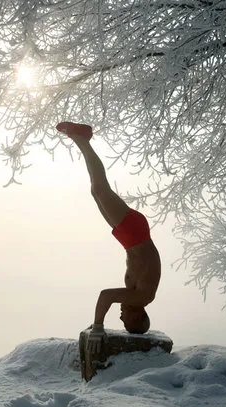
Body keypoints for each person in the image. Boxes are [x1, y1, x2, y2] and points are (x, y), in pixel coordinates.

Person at [56, 122, 161, 354]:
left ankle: (81, 141)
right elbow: (106, 296)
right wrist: (98, 327)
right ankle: (83, 139)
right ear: (137, 314)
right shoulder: (141, 296)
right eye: (126, 320)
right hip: (134, 233)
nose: (121, 317)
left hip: (130, 236)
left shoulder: (139, 296)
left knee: (96, 190)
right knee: (101, 189)